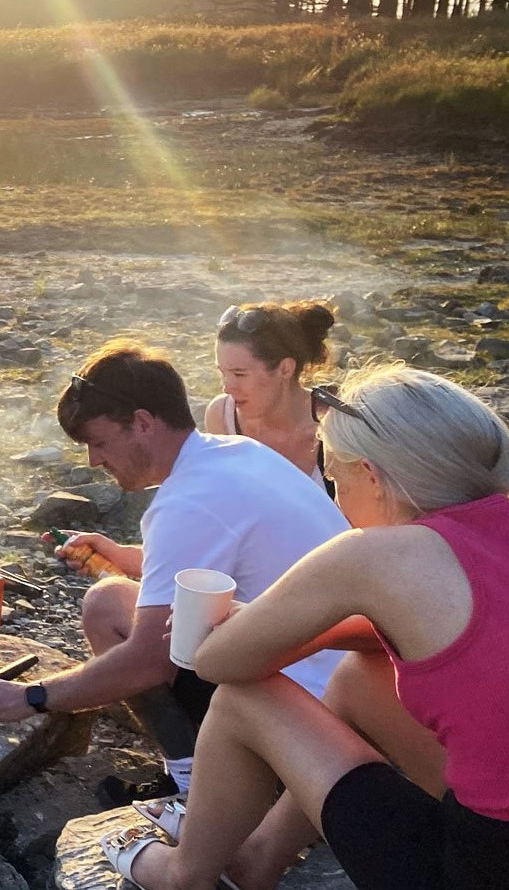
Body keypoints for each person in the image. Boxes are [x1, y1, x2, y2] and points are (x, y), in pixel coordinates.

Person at [104, 366, 509, 890]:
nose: (337, 499)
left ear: (373, 476)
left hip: (477, 871)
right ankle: (257, 858)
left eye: (334, 476)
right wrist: (321, 631)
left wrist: (248, 626)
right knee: (359, 678)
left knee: (242, 698)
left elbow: (216, 661)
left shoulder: (375, 556)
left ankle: (185, 874)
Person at [0, 341, 348, 804]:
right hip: (346, 686)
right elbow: (210, 564)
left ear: (143, 423)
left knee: (107, 609)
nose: (94, 461)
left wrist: (30, 697)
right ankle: (198, 776)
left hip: (307, 720)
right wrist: (125, 556)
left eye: (99, 443)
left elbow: (149, 660)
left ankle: (195, 790)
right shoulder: (236, 453)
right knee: (114, 594)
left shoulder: (186, 502)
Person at [205, 301, 337, 491]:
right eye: (222, 373)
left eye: (239, 374)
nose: (227, 388)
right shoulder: (222, 417)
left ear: (285, 369)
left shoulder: (334, 427)